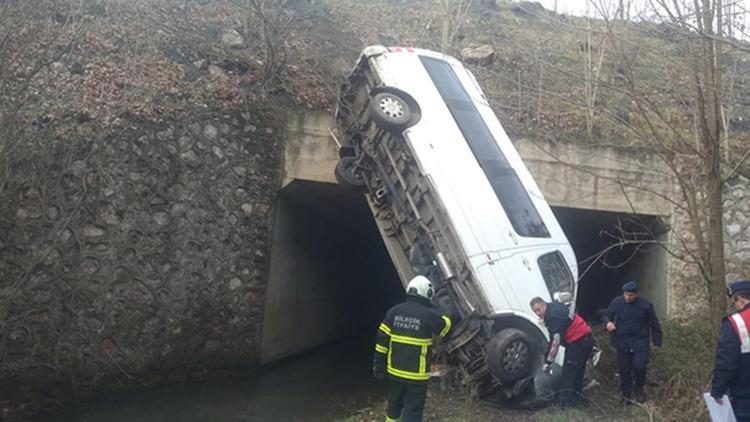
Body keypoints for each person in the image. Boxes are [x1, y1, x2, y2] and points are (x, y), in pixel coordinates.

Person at [373, 275, 451, 422]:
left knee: (393, 406)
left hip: (394, 372)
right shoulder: (428, 315)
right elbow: (445, 329)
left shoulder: (393, 312)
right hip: (416, 376)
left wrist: (378, 366)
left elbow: (381, 343)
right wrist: (441, 309)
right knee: (413, 410)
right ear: (426, 294)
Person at [602, 281, 662, 404]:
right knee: (624, 369)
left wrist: (657, 340)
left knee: (639, 366)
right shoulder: (617, 302)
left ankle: (639, 389)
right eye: (626, 294)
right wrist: (608, 322)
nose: (628, 297)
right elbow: (607, 315)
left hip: (640, 341)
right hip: (622, 341)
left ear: (637, 294)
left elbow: (654, 323)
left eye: (631, 295)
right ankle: (626, 394)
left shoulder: (646, 306)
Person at [529, 296, 594, 408]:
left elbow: (555, 341)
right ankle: (576, 400)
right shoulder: (554, 307)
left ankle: (566, 405)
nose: (538, 313)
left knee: (569, 373)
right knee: (576, 372)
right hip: (585, 339)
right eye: (535, 311)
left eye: (539, 309)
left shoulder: (553, 317)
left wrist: (548, 362)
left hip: (579, 342)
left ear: (544, 304)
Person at [711, 279, 750, 422]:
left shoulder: (736, 322)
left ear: (740, 299)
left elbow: (727, 362)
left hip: (745, 397)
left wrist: (717, 391)